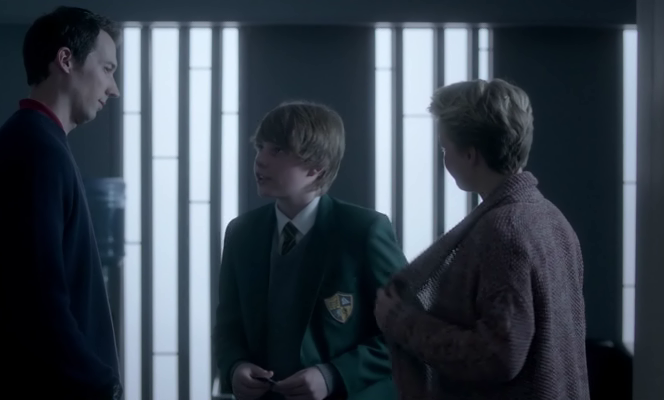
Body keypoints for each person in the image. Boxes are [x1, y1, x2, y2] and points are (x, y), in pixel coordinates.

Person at [374, 79, 590, 400]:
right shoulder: (552, 217)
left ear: (470, 154)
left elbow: (498, 355)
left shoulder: (503, 230)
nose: (444, 159)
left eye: (445, 149)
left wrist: (400, 321)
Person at [0, 7, 122, 400]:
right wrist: (99, 382)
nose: (114, 89)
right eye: (108, 69)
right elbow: (37, 300)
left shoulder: (38, 141)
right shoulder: (34, 149)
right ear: (66, 59)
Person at [214, 101, 407, 400]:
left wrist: (333, 375)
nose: (260, 160)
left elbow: (407, 332)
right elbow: (228, 326)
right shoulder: (242, 233)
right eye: (260, 147)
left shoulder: (362, 231)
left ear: (317, 166)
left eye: (277, 150)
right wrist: (235, 367)